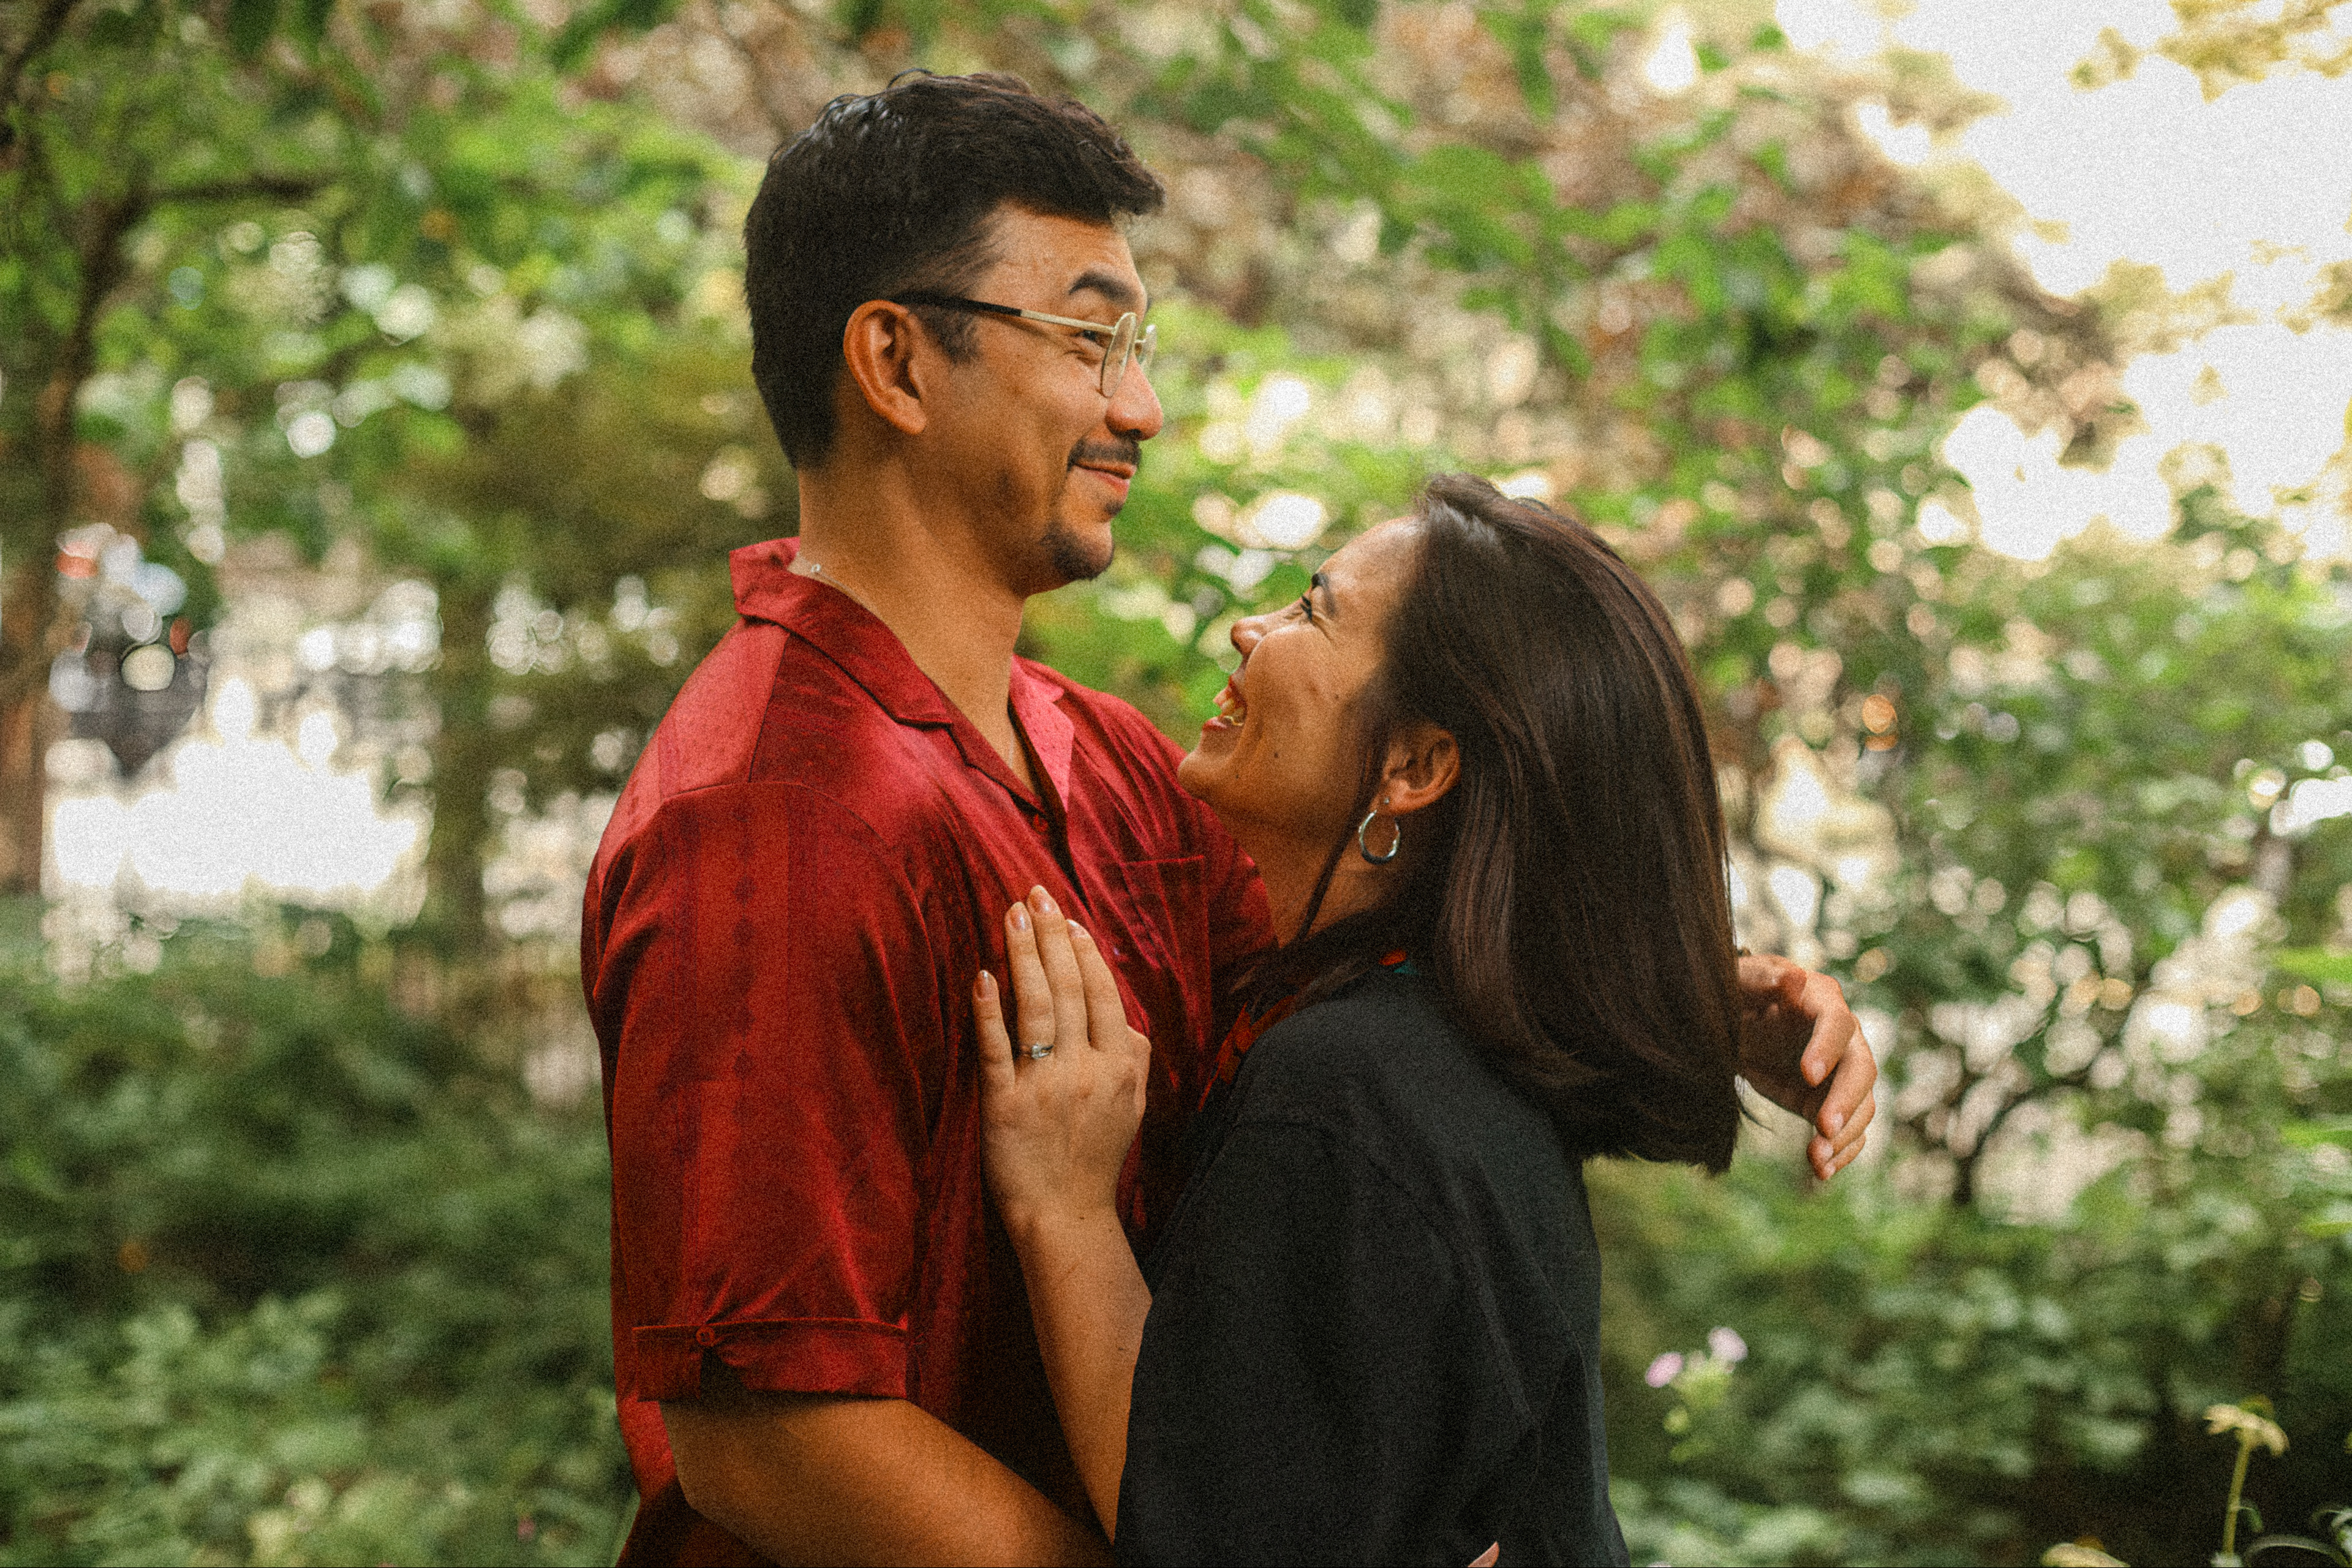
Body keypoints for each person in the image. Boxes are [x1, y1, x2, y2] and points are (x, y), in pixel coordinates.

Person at [580, 72, 1877, 1566]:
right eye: (1088, 339)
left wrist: (1675, 991)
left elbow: (1378, 940)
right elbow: (766, 1438)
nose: (1139, 406)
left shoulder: (1103, 761)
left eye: (1138, 346)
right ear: (897, 362)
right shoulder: (770, 820)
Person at [975, 475, 1757, 1563]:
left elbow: (1214, 1542)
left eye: (1312, 610)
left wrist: (1064, 1207)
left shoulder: (1351, 1086)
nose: (1250, 629)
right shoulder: (1442, 1047)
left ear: (1416, 766)